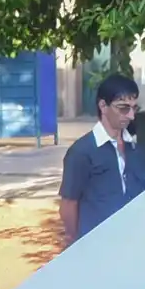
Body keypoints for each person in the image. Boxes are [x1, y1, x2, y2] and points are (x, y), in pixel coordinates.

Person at [59, 73, 143, 245]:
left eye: (134, 108)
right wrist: (76, 242)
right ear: (103, 106)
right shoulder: (81, 152)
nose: (131, 116)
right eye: (123, 108)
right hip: (98, 246)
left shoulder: (136, 148)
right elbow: (69, 204)